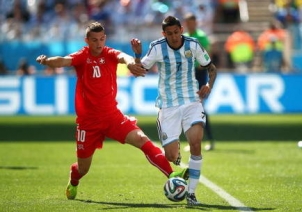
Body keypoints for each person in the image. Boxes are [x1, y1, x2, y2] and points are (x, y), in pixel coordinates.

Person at [36, 22, 188, 200]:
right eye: (94, 40)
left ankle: (171, 174)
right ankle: (74, 179)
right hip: (88, 123)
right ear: (87, 41)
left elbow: (124, 57)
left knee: (141, 139)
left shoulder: (109, 53)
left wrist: (132, 62)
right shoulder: (81, 57)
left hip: (112, 116)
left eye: (101, 39)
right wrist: (47, 61)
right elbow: (63, 60)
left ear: (105, 39)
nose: (98, 44)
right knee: (83, 168)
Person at [131, 16, 217, 205]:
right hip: (168, 105)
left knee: (195, 143)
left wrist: (209, 85)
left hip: (191, 101)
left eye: (176, 32)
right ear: (164, 34)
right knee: (170, 156)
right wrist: (137, 55)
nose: (174, 37)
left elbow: (211, 68)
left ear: (181, 29)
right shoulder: (157, 47)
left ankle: (192, 194)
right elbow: (139, 71)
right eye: (169, 34)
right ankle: (176, 154)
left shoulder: (193, 45)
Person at [183, 13, 215, 151]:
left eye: (192, 22)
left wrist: (201, 65)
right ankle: (193, 141)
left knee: (199, 107)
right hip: (187, 75)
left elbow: (208, 55)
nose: (190, 25)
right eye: (188, 22)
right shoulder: (183, 37)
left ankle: (209, 140)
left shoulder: (201, 36)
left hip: (199, 74)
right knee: (188, 108)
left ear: (195, 23)